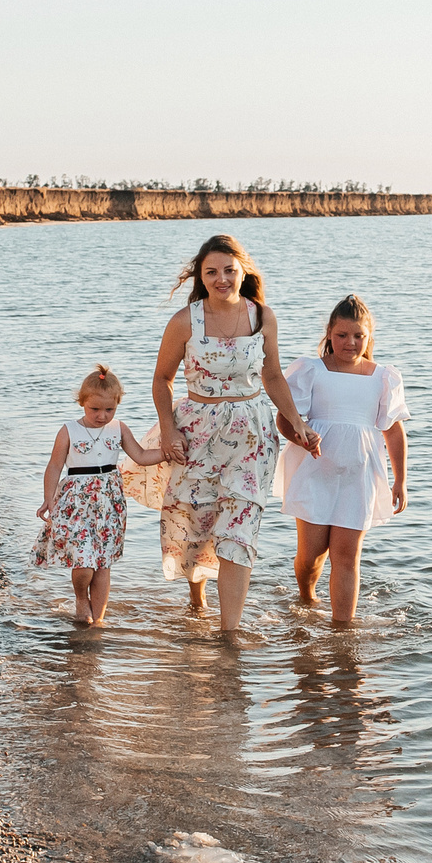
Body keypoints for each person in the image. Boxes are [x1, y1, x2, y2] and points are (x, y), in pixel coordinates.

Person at [152, 234, 319, 632]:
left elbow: (273, 376)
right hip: (196, 434)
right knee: (197, 527)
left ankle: (230, 635)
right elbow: (161, 380)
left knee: (239, 532)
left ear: (244, 271)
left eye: (229, 270)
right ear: (201, 276)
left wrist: (297, 423)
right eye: (211, 272)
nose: (221, 279)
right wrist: (168, 429)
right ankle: (197, 597)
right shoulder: (184, 321)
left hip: (252, 436)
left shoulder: (262, 317)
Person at [277, 294, 408, 626]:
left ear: (369, 337)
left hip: (359, 474)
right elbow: (285, 419)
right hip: (315, 470)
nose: (350, 343)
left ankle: (342, 629)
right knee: (312, 554)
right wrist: (302, 438)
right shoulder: (312, 370)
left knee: (347, 557)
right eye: (342, 335)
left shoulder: (383, 377)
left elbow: (393, 431)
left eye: (358, 336)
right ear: (329, 334)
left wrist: (400, 480)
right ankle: (307, 596)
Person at [35, 365, 162, 625]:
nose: (102, 416)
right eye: (95, 409)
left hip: (109, 502)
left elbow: (140, 456)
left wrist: (167, 453)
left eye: (109, 409)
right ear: (82, 402)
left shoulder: (119, 428)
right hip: (76, 502)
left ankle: (98, 621)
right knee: (83, 562)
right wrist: (48, 498)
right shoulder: (69, 430)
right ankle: (81, 597)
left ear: (117, 405)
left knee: (103, 562)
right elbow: (55, 465)